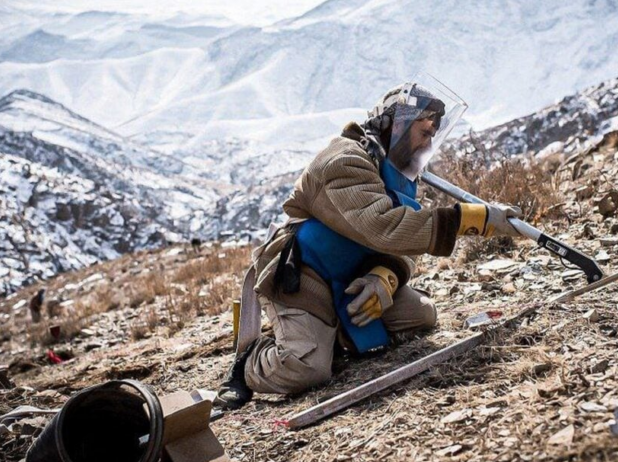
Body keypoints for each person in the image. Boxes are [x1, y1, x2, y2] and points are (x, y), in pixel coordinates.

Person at [215, 77, 522, 410]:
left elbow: (404, 245)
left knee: (421, 315)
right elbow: (384, 229)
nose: (426, 144)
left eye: (432, 136)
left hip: (352, 276)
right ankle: (247, 363)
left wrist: (383, 279)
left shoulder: (397, 174)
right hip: (305, 276)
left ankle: (329, 336)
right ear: (396, 124)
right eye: (423, 133)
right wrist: (467, 221)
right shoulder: (344, 161)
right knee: (305, 369)